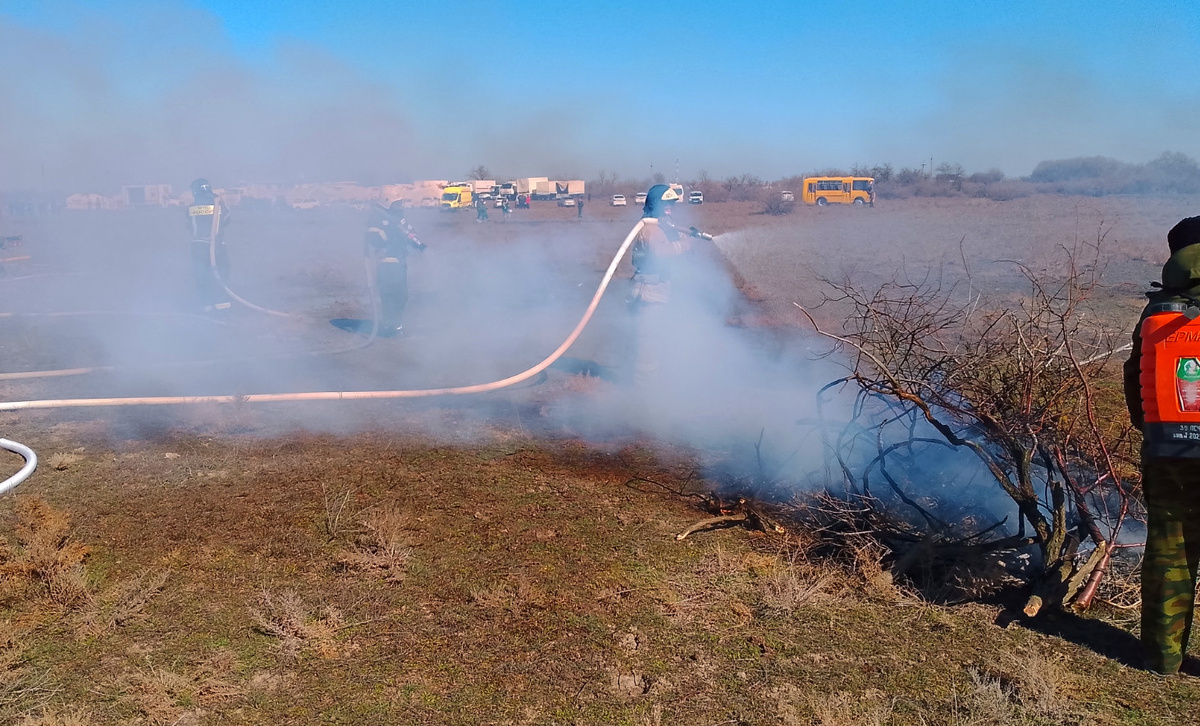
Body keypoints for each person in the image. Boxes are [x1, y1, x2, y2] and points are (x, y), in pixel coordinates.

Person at [1124, 215, 1200, 675]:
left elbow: (1136, 380)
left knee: (1170, 550)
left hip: (1170, 445)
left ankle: (1162, 658)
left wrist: (1153, 431)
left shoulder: (1159, 310)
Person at [626, 183, 713, 386]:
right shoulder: (648, 228)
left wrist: (688, 238)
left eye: (672, 204)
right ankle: (644, 398)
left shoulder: (665, 226)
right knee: (648, 345)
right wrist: (685, 244)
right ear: (655, 204)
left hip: (660, 289)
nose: (670, 208)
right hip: (648, 292)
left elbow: (681, 253)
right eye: (665, 204)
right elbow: (660, 253)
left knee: (657, 341)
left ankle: (653, 385)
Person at [365, 201, 427, 337]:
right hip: (386, 263)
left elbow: (411, 233)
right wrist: (394, 234)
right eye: (398, 204)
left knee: (402, 296)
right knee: (389, 296)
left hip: (400, 263)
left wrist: (419, 244)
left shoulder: (400, 219)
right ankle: (389, 326)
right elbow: (374, 238)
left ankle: (396, 324)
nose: (401, 207)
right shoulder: (377, 218)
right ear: (388, 202)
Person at [185, 178, 232, 312]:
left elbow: (189, 225)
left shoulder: (191, 208)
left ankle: (206, 307)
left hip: (198, 247)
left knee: (202, 277)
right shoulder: (220, 205)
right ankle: (223, 308)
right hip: (217, 246)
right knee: (221, 275)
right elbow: (227, 221)